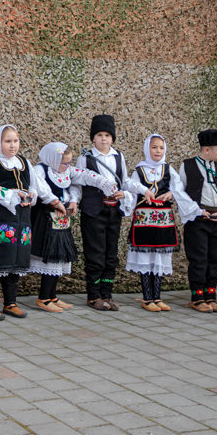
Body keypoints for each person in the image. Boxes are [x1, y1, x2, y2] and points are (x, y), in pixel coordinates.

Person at [30, 142, 121, 311]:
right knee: (50, 257)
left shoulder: (67, 171)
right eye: (64, 163)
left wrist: (103, 183)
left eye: (69, 163)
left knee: (59, 256)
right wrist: (54, 201)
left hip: (61, 220)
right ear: (53, 159)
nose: (67, 166)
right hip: (46, 219)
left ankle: (52, 296)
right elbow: (40, 188)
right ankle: (43, 297)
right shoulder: (40, 170)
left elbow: (85, 175)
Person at [122, 134, 201, 311]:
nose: (158, 151)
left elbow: (179, 187)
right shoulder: (139, 170)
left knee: (159, 257)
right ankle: (147, 298)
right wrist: (130, 202)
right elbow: (131, 191)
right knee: (145, 257)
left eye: (161, 147)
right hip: (144, 221)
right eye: (154, 147)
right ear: (146, 149)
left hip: (163, 221)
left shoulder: (168, 169)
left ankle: (157, 297)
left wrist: (171, 194)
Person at [0, 125, 37, 320]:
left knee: (16, 260)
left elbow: (35, 187)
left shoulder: (24, 163)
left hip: (21, 219)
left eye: (15, 141)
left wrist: (30, 196)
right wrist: (10, 194)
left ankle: (11, 302)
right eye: (7, 141)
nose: (12, 145)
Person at [178, 129, 217, 312]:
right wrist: (196, 211)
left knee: (216, 258)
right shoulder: (187, 166)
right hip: (198, 220)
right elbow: (181, 193)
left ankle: (211, 296)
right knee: (199, 259)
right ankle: (197, 297)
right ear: (207, 149)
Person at [76, 115, 128, 311]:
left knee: (111, 253)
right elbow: (78, 182)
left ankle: (107, 293)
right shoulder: (85, 157)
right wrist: (74, 201)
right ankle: (93, 295)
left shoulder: (118, 156)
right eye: (99, 135)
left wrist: (124, 193)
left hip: (113, 210)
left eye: (107, 135)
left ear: (112, 138)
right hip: (93, 211)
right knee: (95, 252)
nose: (103, 139)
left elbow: (124, 180)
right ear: (93, 138)